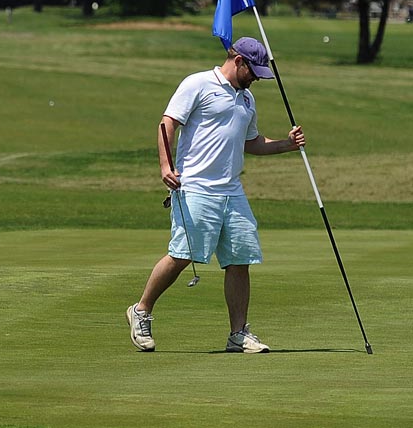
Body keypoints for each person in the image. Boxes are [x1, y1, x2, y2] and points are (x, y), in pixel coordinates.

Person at [125, 36, 305, 355]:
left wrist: (286, 145)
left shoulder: (247, 100)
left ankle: (238, 333)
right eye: (253, 72)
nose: (256, 80)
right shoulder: (198, 84)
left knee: (240, 259)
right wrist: (166, 167)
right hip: (194, 186)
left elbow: (251, 142)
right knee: (182, 255)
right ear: (238, 61)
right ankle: (141, 310)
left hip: (232, 190)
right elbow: (167, 124)